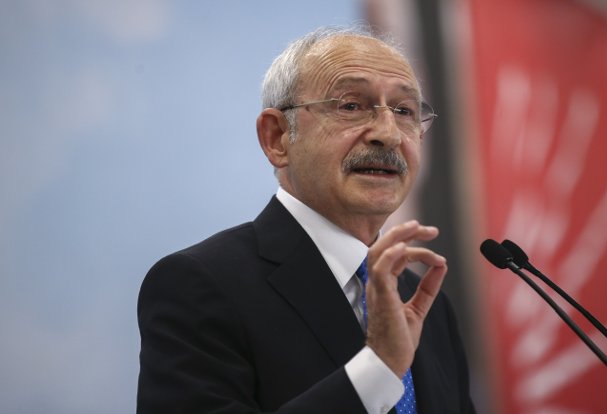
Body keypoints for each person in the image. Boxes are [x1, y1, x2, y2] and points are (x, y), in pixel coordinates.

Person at [137, 25, 475, 414]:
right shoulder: (199, 285)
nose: (389, 134)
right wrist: (377, 370)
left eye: (404, 111)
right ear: (278, 137)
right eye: (351, 105)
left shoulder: (426, 304)